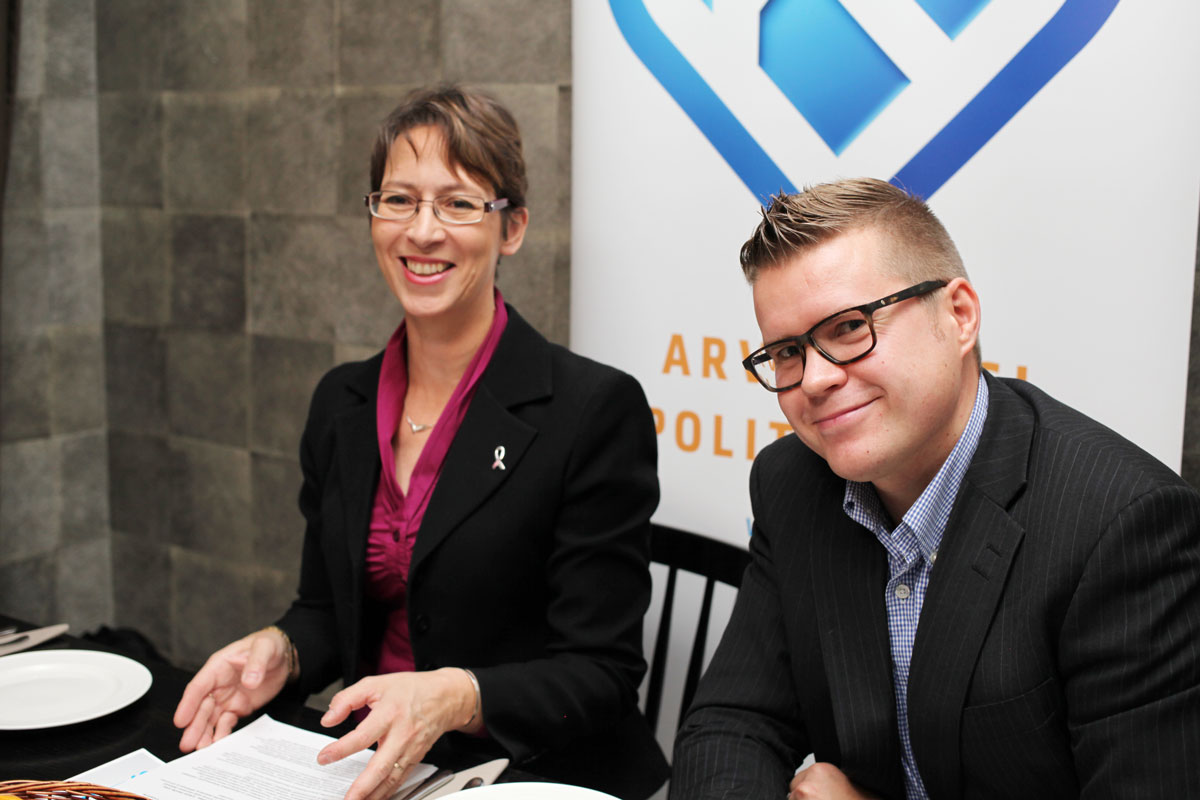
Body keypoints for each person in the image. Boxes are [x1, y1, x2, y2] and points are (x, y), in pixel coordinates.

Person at [173, 86, 668, 800]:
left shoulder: (592, 409)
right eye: (398, 200)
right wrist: (282, 650)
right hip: (377, 768)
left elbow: (602, 672)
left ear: (512, 228)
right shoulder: (340, 402)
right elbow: (327, 609)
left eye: (459, 203)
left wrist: (456, 696)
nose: (422, 231)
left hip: (534, 775)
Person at [671, 178, 1200, 799]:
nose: (813, 380)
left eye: (849, 327)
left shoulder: (1125, 525)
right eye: (787, 352)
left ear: (959, 316)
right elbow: (733, 724)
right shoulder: (791, 481)